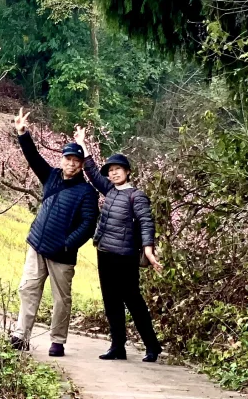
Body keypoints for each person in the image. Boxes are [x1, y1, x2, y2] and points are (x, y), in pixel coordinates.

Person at [10, 107, 98, 357]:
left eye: (76, 161)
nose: (71, 163)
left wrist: (67, 245)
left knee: (61, 299)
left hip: (62, 254)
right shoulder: (51, 177)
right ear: (62, 160)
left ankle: (57, 340)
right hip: (37, 244)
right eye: (67, 159)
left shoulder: (87, 193)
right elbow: (33, 158)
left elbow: (88, 225)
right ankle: (20, 335)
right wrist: (23, 133)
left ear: (81, 165)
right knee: (28, 288)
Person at [73, 126, 163, 362]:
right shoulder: (110, 191)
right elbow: (91, 170)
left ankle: (152, 346)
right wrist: (82, 143)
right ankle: (117, 347)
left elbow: (146, 222)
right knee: (111, 300)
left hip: (126, 256)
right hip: (105, 252)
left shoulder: (137, 196)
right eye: (111, 170)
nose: (113, 174)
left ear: (128, 172)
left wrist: (148, 250)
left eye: (117, 170)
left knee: (133, 300)